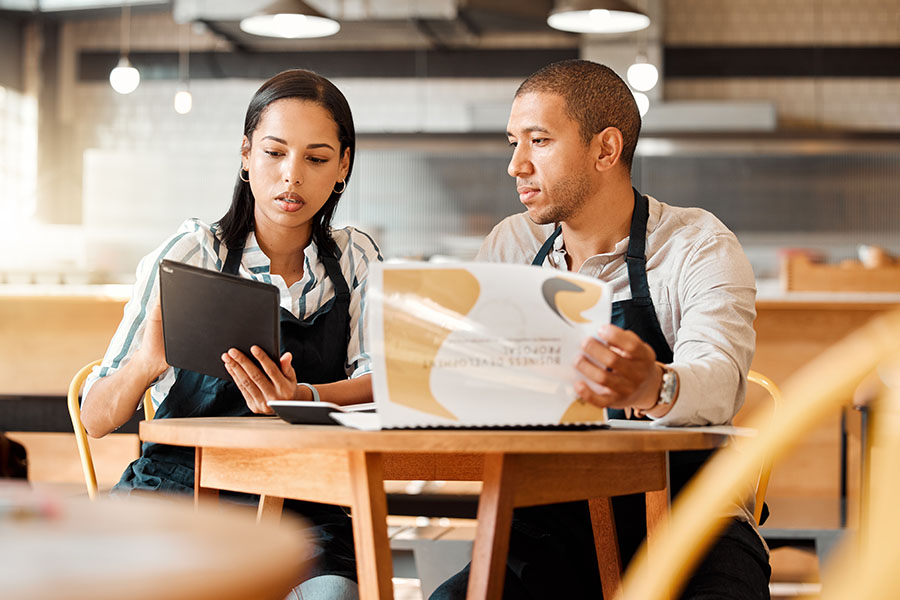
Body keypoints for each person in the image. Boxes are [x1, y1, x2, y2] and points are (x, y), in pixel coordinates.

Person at [431, 60, 770, 599]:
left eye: (538, 140)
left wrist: (652, 384)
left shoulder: (697, 244)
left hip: (691, 520)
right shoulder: (510, 246)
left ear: (605, 150)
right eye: (513, 141)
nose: (515, 165)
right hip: (550, 521)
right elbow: (474, 381)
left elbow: (721, 377)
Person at [81, 69, 380, 600]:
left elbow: (383, 380)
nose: (292, 177)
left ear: (343, 166)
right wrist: (147, 363)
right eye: (273, 153)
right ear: (245, 155)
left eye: (316, 158)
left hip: (304, 507)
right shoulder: (194, 251)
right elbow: (97, 417)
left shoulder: (356, 258)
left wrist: (304, 398)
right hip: (179, 495)